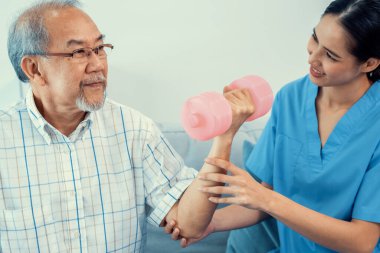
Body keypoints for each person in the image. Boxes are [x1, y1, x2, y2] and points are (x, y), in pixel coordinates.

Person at [0, 0, 254, 252]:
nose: (98, 64)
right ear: (33, 69)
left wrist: (224, 136)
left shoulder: (135, 129)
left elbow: (189, 224)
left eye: (100, 48)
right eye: (79, 52)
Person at [167, 0, 380, 252]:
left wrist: (266, 199)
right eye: (315, 38)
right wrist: (210, 223)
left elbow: (362, 241)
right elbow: (265, 197)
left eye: (331, 55)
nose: (313, 57)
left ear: (369, 64)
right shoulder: (290, 98)